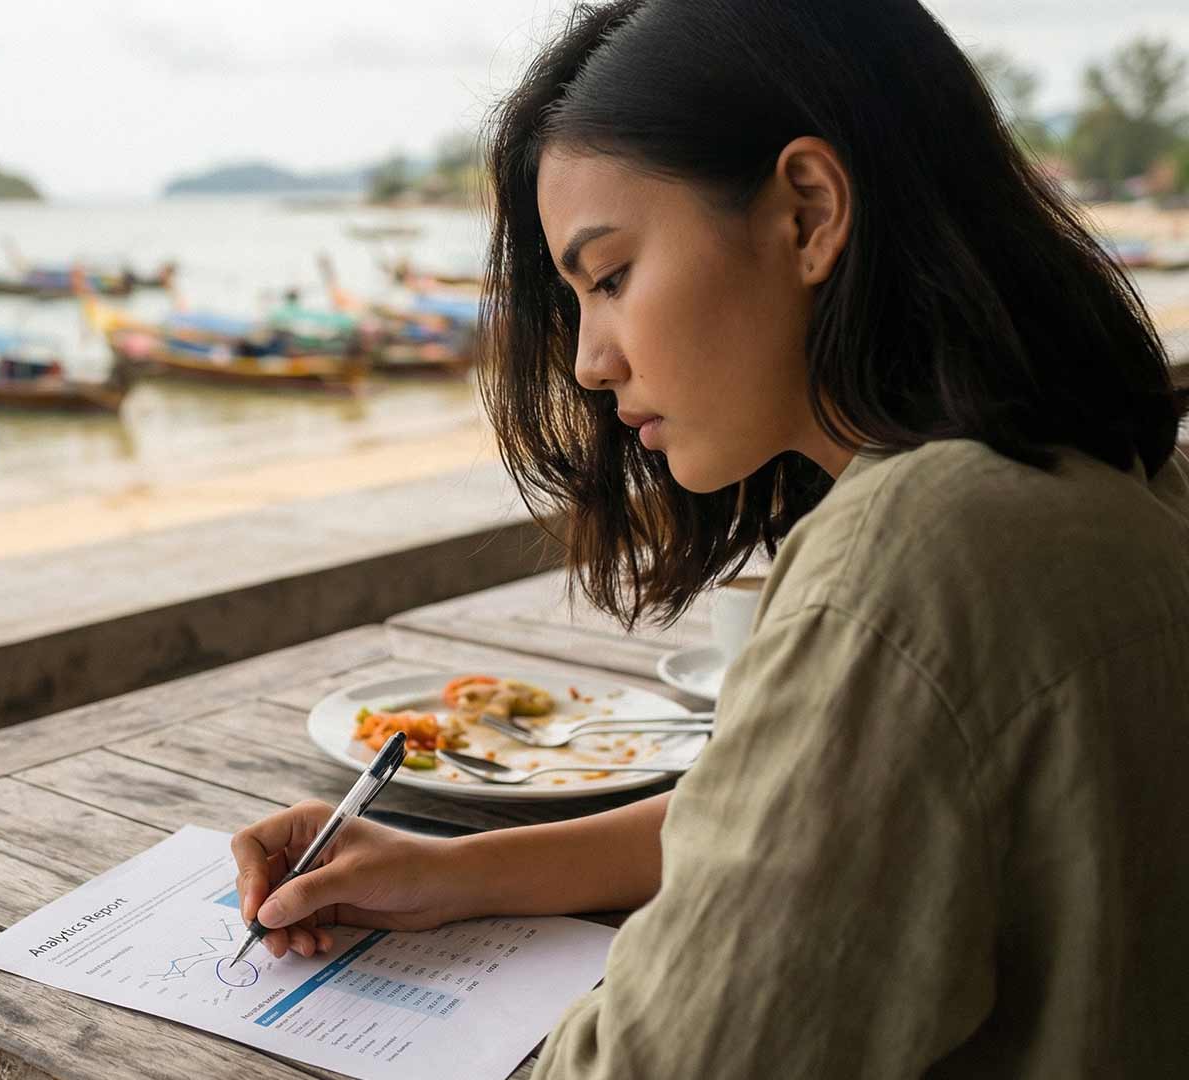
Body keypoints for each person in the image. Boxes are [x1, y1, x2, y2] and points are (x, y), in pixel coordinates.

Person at [229, 1, 1189, 1075]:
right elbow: (809, 819)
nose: (590, 360)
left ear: (808, 213)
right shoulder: (1110, 467)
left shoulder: (917, 555)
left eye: (611, 276)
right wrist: (453, 871)